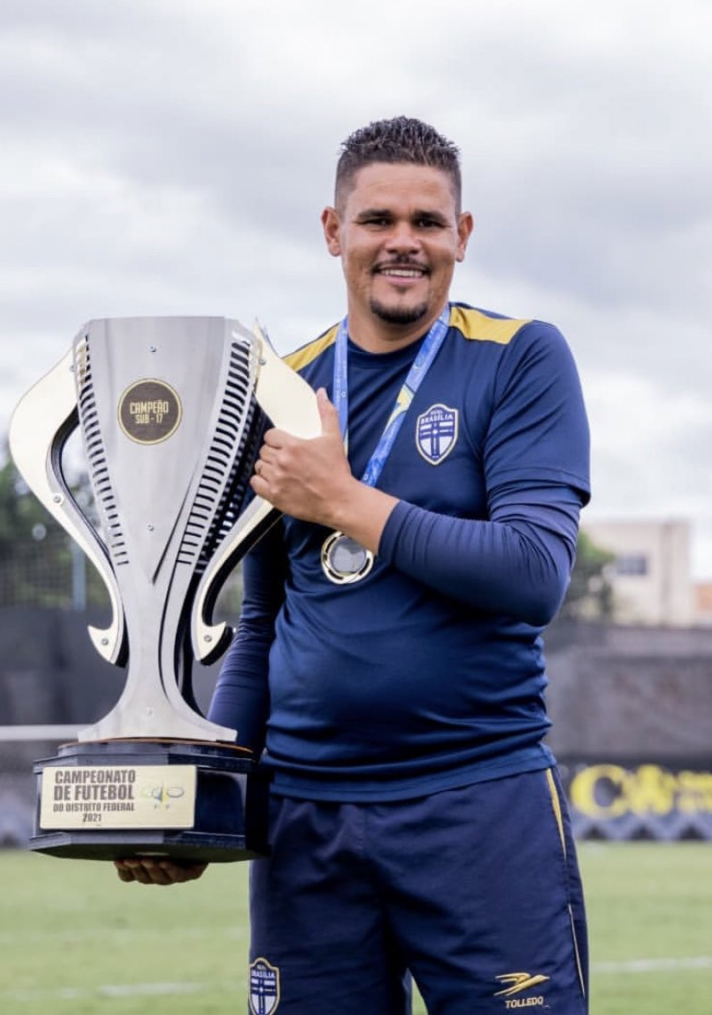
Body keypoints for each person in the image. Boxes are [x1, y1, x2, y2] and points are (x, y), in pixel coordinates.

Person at [116, 115, 591, 1014]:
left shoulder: (520, 357)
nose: (403, 242)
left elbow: (533, 572)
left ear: (463, 236)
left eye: (427, 221)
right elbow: (263, 624)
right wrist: (206, 802)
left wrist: (345, 502)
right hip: (308, 818)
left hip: (477, 801)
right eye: (377, 220)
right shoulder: (279, 390)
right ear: (334, 232)